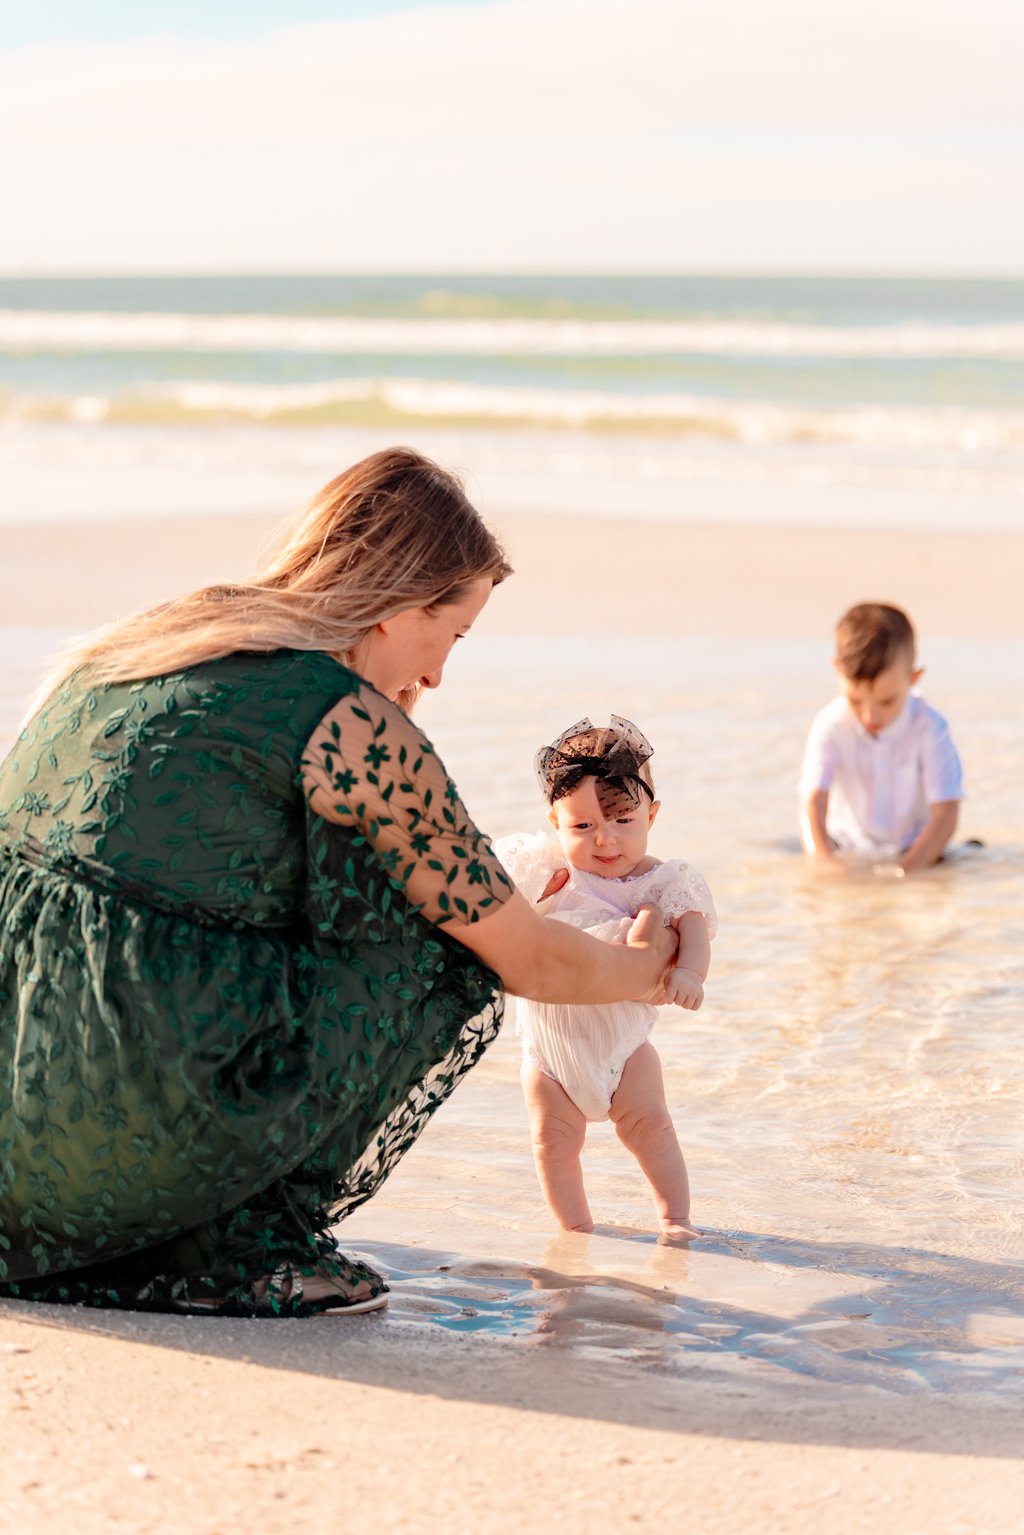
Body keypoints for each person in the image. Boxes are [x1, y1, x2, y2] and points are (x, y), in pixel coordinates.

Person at [0, 449, 677, 1318]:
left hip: (20, 1110)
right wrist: (645, 965)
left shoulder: (153, 640)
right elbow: (524, 952)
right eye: (453, 635)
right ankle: (233, 1243)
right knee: (434, 934)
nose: (438, 674)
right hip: (104, 1143)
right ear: (400, 606)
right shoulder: (343, 723)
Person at [495, 716, 716, 1239]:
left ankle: (675, 1218)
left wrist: (690, 972)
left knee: (652, 1128)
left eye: (621, 821)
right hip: (550, 1056)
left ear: (652, 815)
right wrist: (537, 898)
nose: (605, 840)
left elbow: (695, 928)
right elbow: (503, 918)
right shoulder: (549, 872)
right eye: (583, 826)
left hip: (624, 1052)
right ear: (554, 820)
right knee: (551, 1143)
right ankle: (576, 1231)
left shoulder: (663, 881)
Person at [798, 602, 964, 874]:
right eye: (855, 700)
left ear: (914, 678)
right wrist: (823, 861)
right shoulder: (830, 723)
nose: (869, 717)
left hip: (915, 849)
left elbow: (946, 815)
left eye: (886, 702)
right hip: (846, 846)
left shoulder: (931, 727)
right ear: (837, 670)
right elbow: (813, 801)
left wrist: (903, 872)